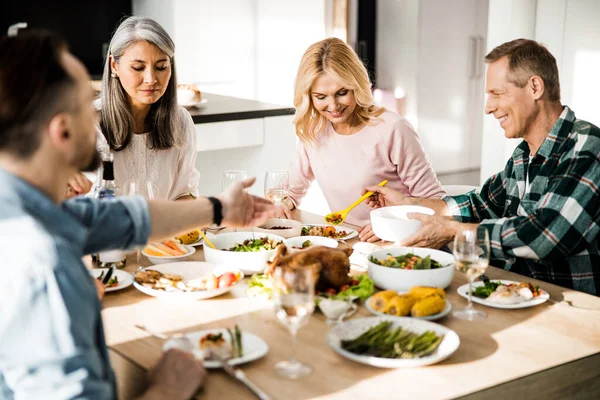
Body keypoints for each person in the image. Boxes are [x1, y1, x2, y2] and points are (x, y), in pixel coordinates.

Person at [0, 30, 276, 398]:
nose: (99, 107)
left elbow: (118, 218)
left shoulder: (22, 206)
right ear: (62, 131)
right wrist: (167, 389)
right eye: (88, 101)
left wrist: (219, 208)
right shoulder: (45, 266)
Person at [365, 39, 600, 296]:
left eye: (497, 94)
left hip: (568, 306)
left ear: (535, 87)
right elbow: (480, 204)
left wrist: (454, 232)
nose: (489, 108)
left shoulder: (586, 145)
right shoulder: (523, 155)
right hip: (515, 295)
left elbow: (546, 236)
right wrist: (408, 205)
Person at [277, 37, 444, 242]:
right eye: (321, 97)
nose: (333, 106)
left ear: (357, 85)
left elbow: (436, 202)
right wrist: (282, 202)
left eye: (342, 93)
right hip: (350, 242)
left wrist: (391, 224)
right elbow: (289, 192)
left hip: (400, 242)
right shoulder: (314, 131)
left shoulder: (392, 128)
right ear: (309, 97)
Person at [96, 16, 200, 200]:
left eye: (161, 67)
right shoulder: (92, 124)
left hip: (168, 228)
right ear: (114, 66)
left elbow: (185, 193)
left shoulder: (180, 120)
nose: (151, 79)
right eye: (138, 67)